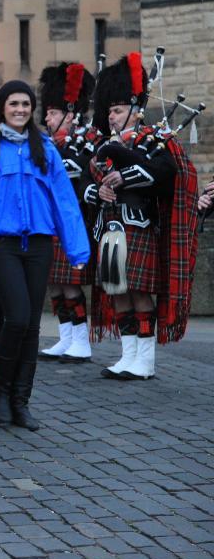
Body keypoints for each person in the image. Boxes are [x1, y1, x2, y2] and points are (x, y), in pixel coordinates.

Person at [0, 81, 91, 430]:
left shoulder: (46, 149)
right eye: (14, 104)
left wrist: (77, 248)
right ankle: (0, 391)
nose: (20, 109)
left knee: (33, 325)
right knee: (18, 318)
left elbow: (64, 201)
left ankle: (21, 402)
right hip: (4, 244)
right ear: (2, 108)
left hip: (39, 244)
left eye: (26, 104)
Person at [86, 53, 199, 380]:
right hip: (109, 227)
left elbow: (166, 175)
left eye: (118, 111)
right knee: (117, 290)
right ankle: (127, 357)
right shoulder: (104, 145)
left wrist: (124, 176)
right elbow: (87, 185)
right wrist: (99, 192)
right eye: (109, 111)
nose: (111, 117)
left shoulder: (154, 141)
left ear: (136, 111)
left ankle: (145, 362)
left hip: (138, 225)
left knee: (138, 292)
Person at [35, 64, 97, 364]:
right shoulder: (50, 144)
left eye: (52, 113)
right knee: (57, 284)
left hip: (74, 221)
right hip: (50, 222)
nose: (46, 118)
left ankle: (82, 340)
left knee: (71, 284)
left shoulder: (87, 141)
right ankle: (66, 337)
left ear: (70, 114)